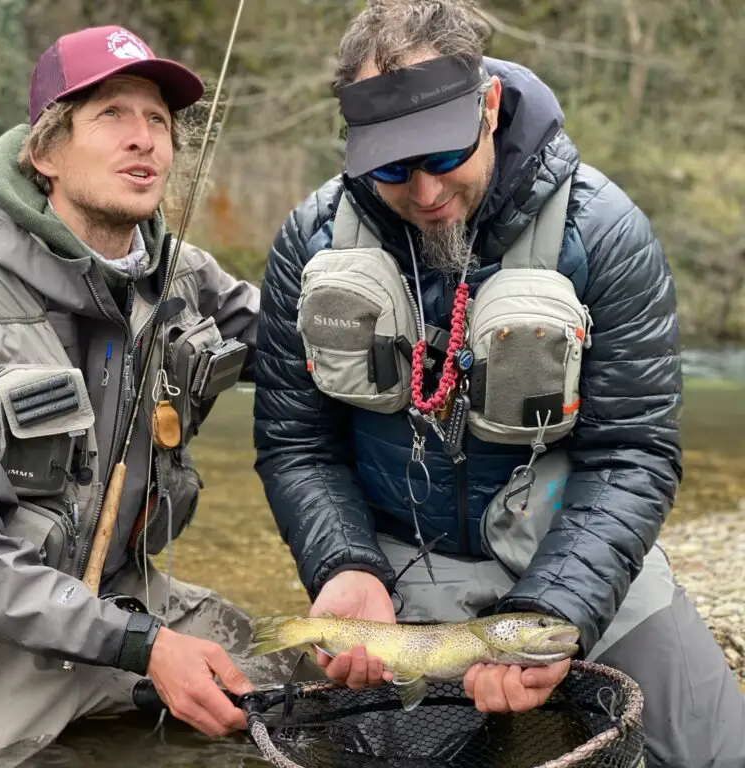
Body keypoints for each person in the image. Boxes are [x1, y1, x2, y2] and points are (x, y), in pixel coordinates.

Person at [251, 1, 745, 766]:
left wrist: (556, 607)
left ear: (487, 108)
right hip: (399, 570)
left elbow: (633, 455)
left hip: (575, 549)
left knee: (718, 752)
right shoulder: (309, 241)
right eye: (390, 167)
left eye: (442, 156)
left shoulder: (604, 233)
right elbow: (296, 445)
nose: (422, 192)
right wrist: (343, 564)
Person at [0, 24, 307, 766]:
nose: (143, 139)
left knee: (301, 687)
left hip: (123, 599)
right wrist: (146, 648)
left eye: (156, 120)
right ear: (44, 152)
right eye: (111, 115)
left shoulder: (184, 279)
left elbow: (303, 350)